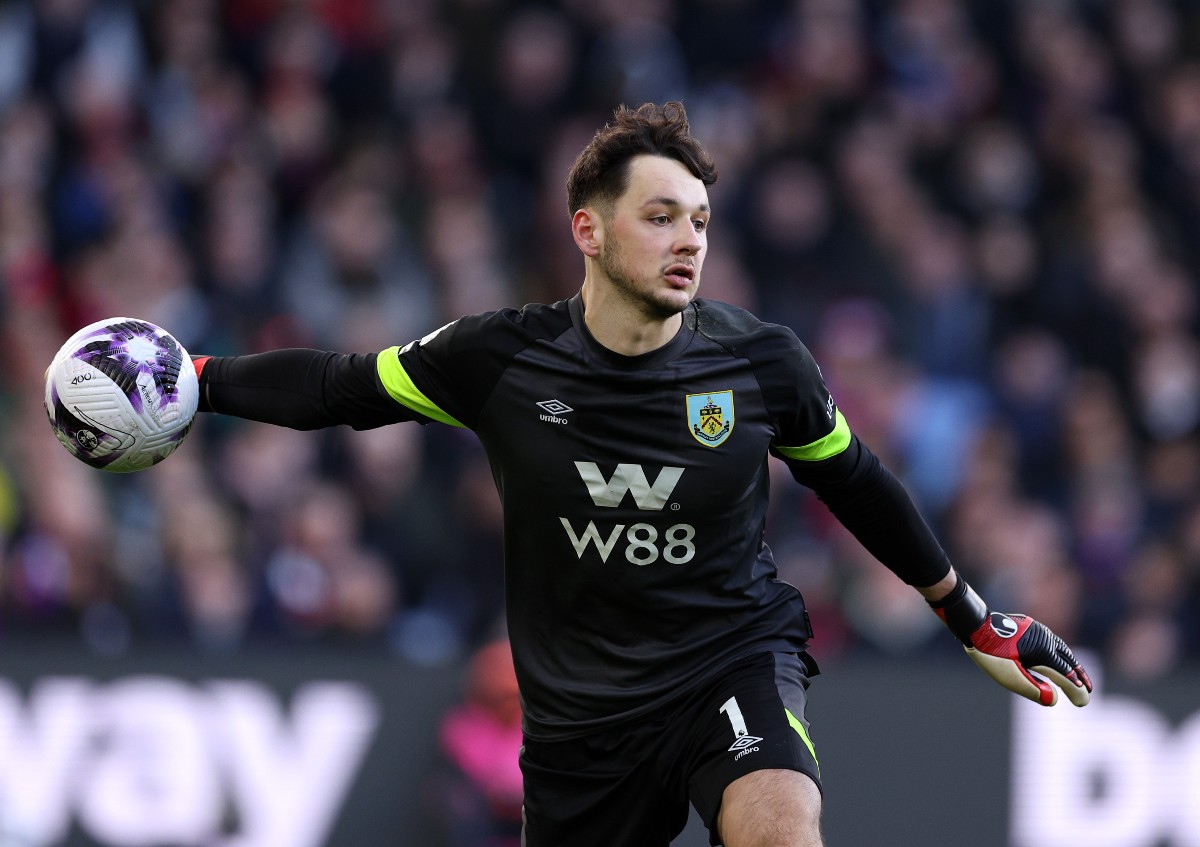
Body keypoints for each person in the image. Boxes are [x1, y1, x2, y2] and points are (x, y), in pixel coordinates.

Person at [188, 102, 1092, 847]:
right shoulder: (499, 359)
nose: (688, 240)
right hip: (579, 719)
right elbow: (340, 388)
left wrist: (972, 617)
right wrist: (196, 380)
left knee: (782, 828)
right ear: (588, 228)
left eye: (699, 219)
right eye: (661, 216)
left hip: (726, 661)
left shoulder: (762, 363)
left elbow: (856, 481)